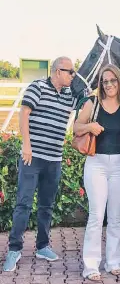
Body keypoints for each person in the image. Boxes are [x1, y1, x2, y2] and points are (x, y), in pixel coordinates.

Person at [3, 57, 77, 272]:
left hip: (54, 159)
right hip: (32, 158)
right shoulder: (38, 87)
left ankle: (42, 246)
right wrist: (27, 145)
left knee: (47, 205)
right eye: (69, 71)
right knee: (24, 203)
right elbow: (23, 114)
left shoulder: (69, 94)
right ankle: (14, 250)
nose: (72, 75)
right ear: (57, 71)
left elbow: (87, 102)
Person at [73, 64, 120, 281]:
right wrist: (90, 127)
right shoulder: (92, 103)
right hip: (96, 163)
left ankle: (114, 261)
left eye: (113, 80)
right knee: (96, 216)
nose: (109, 85)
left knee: (115, 216)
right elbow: (76, 128)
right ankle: (91, 266)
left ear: (119, 81)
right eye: (105, 81)